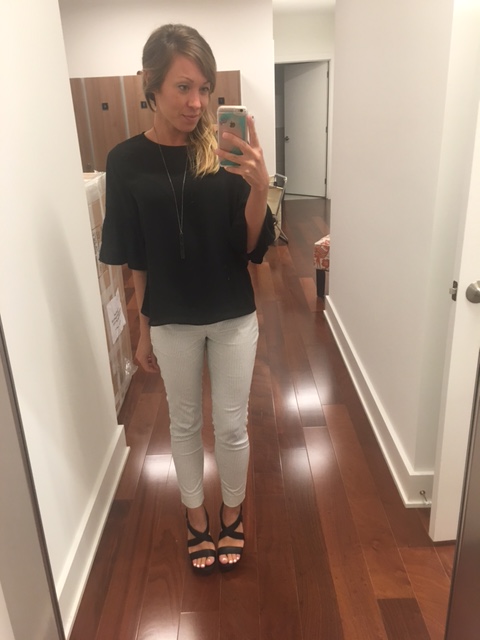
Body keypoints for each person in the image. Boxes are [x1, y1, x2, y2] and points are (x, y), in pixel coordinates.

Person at [99, 23, 274, 575]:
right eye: (182, 87)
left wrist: (259, 190)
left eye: (204, 88)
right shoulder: (125, 160)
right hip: (171, 318)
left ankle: (232, 512)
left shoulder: (221, 150)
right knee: (184, 422)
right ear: (150, 85)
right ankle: (196, 517)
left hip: (232, 314)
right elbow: (135, 255)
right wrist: (142, 327)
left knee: (231, 426)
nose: (196, 102)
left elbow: (250, 246)